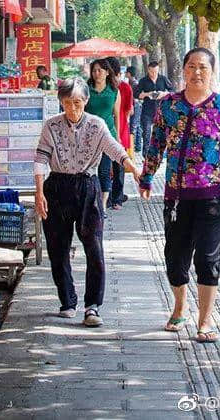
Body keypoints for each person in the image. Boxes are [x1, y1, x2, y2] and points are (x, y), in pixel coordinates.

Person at [139, 47, 220, 343]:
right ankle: (179, 306)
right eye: (191, 66)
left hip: (213, 195)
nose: (196, 72)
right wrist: (147, 177)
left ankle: (205, 320)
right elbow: (155, 144)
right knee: (175, 257)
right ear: (183, 70)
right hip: (176, 195)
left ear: (211, 72)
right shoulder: (168, 106)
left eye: (202, 67)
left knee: (208, 259)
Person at [34, 77, 140, 327]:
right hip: (57, 187)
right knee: (57, 248)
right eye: (68, 103)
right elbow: (40, 158)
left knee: (94, 247)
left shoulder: (97, 124)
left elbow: (113, 148)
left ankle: (92, 306)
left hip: (87, 187)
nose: (73, 108)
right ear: (61, 102)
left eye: (78, 102)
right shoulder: (51, 126)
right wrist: (39, 193)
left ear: (86, 101)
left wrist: (131, 166)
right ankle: (67, 300)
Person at [87, 59, 122, 213]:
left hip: (108, 136)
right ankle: (90, 201)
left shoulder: (114, 91)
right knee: (88, 171)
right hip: (88, 136)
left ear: (107, 72)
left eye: (100, 70)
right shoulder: (86, 90)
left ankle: (102, 205)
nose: (97, 73)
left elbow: (117, 116)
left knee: (104, 170)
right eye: (94, 70)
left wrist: (118, 138)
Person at [106, 57, 133, 204]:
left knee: (116, 163)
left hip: (119, 129)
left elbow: (128, 110)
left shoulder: (124, 88)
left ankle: (114, 196)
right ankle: (114, 196)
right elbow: (129, 111)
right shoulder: (102, 87)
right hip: (119, 128)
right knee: (116, 164)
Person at [134, 61, 172, 157]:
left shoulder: (163, 79)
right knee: (146, 134)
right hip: (147, 110)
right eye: (152, 72)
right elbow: (136, 94)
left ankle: (161, 154)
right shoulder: (143, 81)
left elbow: (172, 91)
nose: (154, 74)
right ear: (148, 70)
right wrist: (148, 94)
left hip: (161, 110)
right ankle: (146, 155)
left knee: (162, 133)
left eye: (156, 72)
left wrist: (163, 94)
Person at [126, 67, 143, 153]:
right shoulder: (132, 82)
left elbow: (133, 97)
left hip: (135, 105)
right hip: (136, 105)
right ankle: (138, 145)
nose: (125, 74)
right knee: (137, 125)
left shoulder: (134, 84)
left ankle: (133, 146)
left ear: (129, 73)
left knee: (134, 126)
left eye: (126, 72)